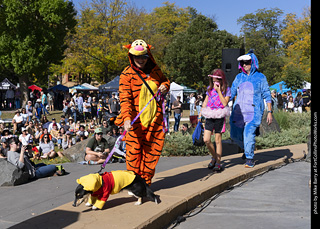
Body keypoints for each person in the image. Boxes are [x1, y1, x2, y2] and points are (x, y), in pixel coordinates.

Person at [114, 39, 170, 185]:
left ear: (148, 56)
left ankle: (145, 183)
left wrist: (165, 86)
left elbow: (165, 80)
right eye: (136, 57)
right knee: (133, 152)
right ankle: (134, 183)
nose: (140, 60)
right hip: (134, 120)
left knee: (151, 152)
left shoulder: (155, 70)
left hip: (154, 120)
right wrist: (126, 119)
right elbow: (124, 98)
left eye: (143, 57)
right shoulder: (127, 74)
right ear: (131, 57)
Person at [230, 51, 273, 168]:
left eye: (247, 62)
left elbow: (267, 94)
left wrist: (269, 112)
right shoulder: (239, 77)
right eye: (242, 63)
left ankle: (249, 158)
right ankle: (246, 148)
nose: (244, 65)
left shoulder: (261, 77)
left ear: (253, 62)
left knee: (248, 134)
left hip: (253, 113)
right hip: (238, 113)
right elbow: (231, 92)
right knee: (234, 135)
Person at [198, 69, 231, 171]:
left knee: (217, 140)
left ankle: (218, 162)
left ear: (221, 80)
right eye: (213, 80)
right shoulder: (209, 89)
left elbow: (225, 103)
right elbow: (205, 102)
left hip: (220, 115)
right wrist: (200, 114)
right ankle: (214, 157)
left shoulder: (227, 89)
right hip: (210, 115)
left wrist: (219, 91)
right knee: (206, 139)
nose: (214, 82)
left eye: (216, 80)